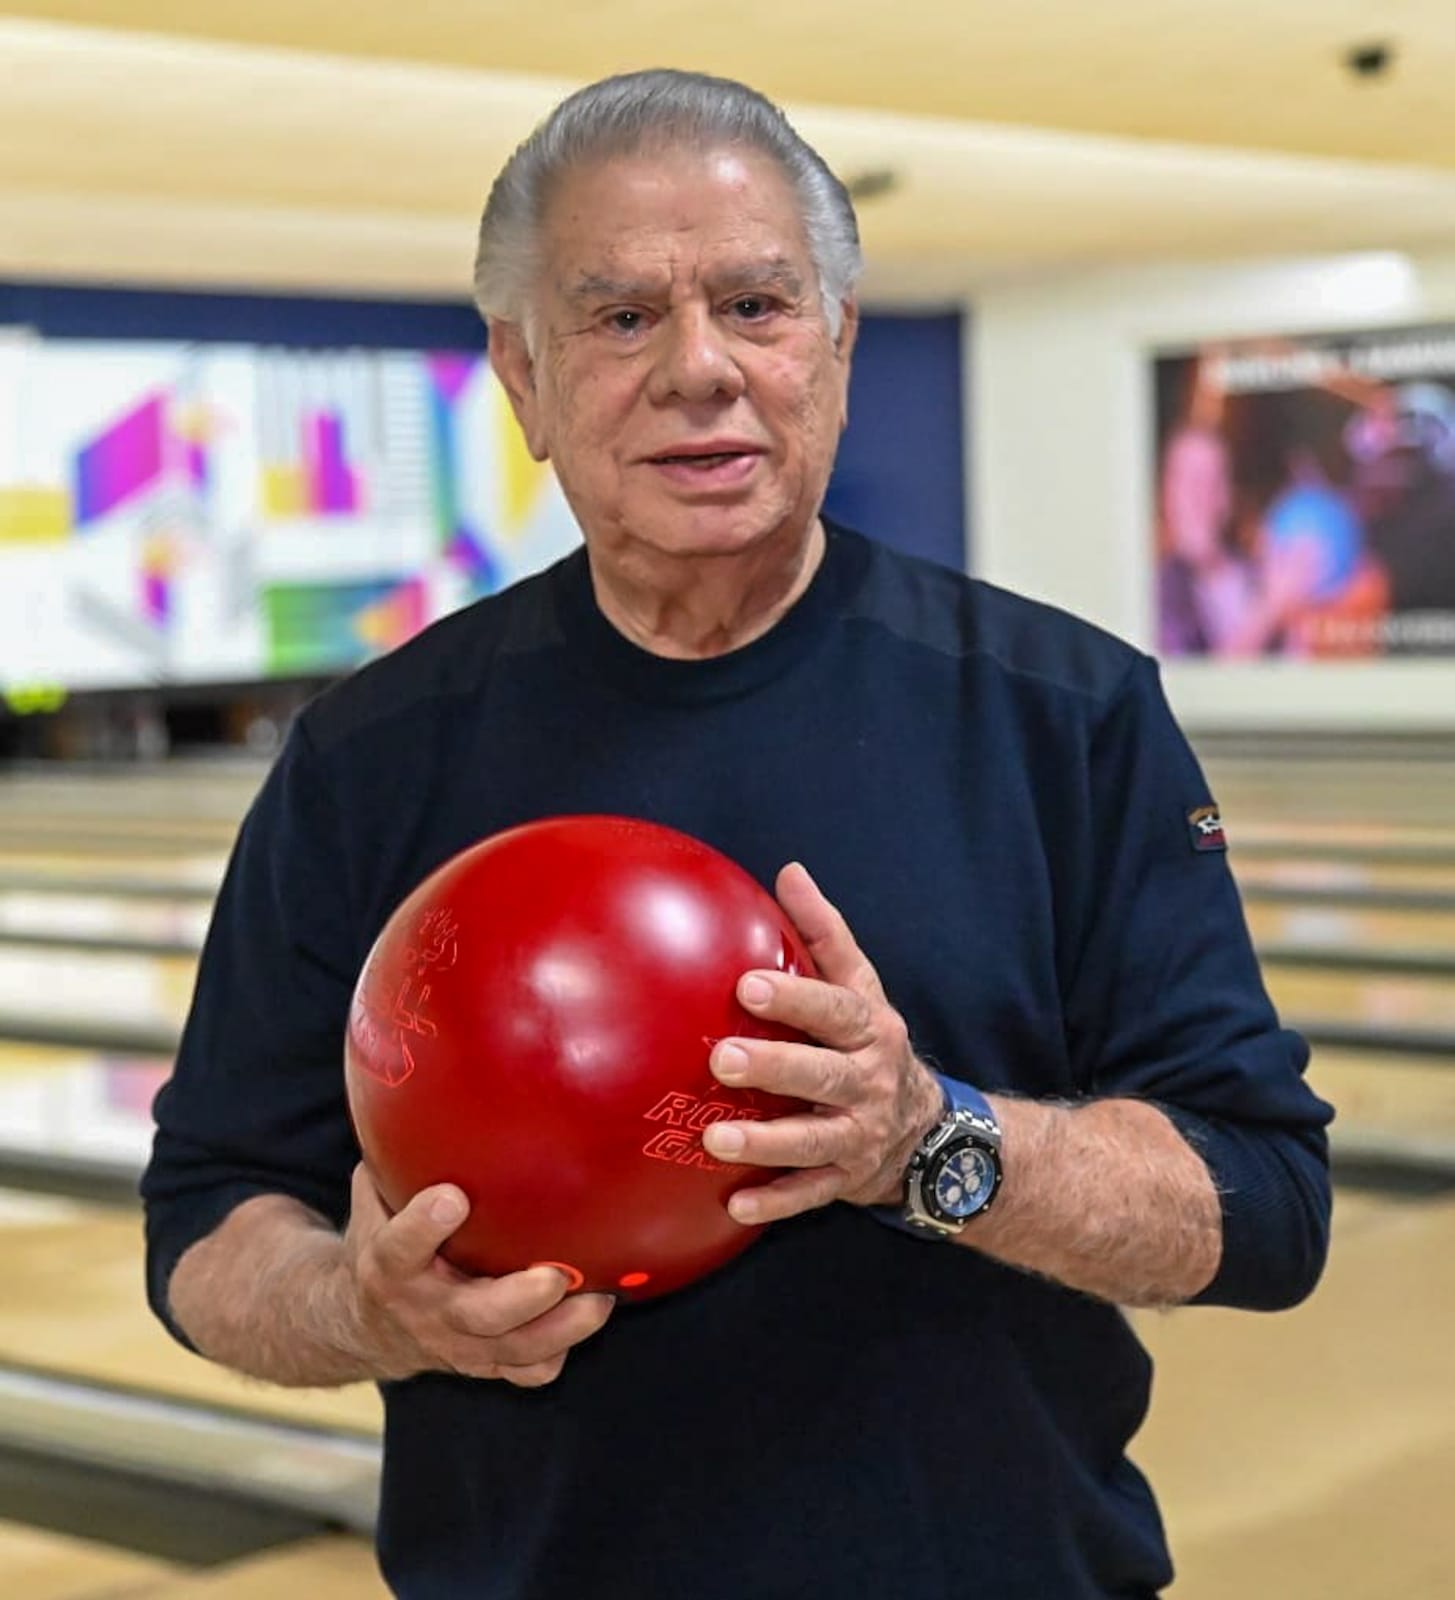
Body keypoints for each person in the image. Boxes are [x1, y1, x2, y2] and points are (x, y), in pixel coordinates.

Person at [143, 69, 1333, 1600]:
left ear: (836, 342)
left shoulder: (1067, 711)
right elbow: (206, 1223)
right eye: (622, 318)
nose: (700, 369)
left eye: (759, 304)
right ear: (522, 375)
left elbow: (1267, 1208)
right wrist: (360, 1310)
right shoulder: (368, 759)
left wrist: (927, 1141)